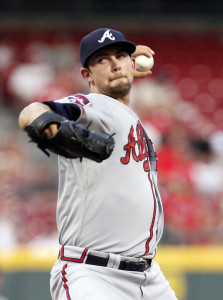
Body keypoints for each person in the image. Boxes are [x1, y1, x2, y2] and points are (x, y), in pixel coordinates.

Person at [18, 28, 177, 300]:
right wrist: (49, 127)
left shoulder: (128, 115)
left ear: (133, 63)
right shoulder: (93, 106)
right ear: (87, 75)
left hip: (149, 277)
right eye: (101, 60)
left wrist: (120, 67)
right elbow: (31, 112)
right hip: (93, 273)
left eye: (121, 56)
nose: (114, 64)